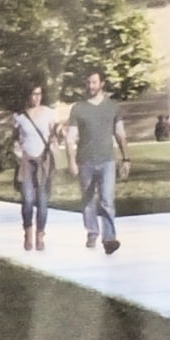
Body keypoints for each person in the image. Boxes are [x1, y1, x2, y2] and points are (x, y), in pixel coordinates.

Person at [72, 68, 126, 254]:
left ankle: (109, 238)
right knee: (87, 200)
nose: (91, 86)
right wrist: (71, 161)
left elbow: (120, 133)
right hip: (85, 160)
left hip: (107, 160)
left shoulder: (113, 106)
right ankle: (92, 232)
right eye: (88, 82)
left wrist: (126, 157)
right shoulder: (78, 108)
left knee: (107, 200)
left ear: (102, 83)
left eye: (94, 82)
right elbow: (71, 136)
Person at [9, 87, 57, 253]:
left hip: (43, 161)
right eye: (33, 94)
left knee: (43, 202)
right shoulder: (19, 116)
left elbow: (53, 134)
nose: (36, 97)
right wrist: (17, 150)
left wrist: (54, 142)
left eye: (39, 94)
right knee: (28, 200)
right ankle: (28, 232)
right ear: (27, 95)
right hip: (27, 162)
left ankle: (40, 235)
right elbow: (14, 138)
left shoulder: (48, 113)